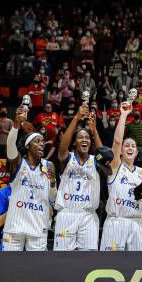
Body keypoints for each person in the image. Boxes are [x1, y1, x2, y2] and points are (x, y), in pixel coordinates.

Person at [2, 106, 57, 251]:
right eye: (37, 141)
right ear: (28, 146)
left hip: (38, 226)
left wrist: (52, 183)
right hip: (15, 226)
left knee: (36, 272)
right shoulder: (18, 162)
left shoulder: (49, 165)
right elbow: (10, 147)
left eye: (42, 142)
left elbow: (53, 198)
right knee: (10, 269)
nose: (41, 144)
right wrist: (15, 124)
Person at [100, 102, 142, 251]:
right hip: (117, 222)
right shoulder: (116, 166)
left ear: (136, 152)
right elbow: (116, 142)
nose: (130, 148)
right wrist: (123, 115)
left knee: (139, 267)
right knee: (112, 266)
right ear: (121, 152)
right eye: (127, 145)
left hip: (138, 223)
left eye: (133, 146)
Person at [53, 105, 103, 251]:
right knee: (62, 259)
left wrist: (94, 131)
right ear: (74, 142)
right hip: (66, 214)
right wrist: (76, 118)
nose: (84, 139)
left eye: (87, 138)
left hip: (88, 215)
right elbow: (62, 148)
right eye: (80, 137)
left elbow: (105, 156)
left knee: (88, 260)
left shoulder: (95, 160)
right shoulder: (67, 158)